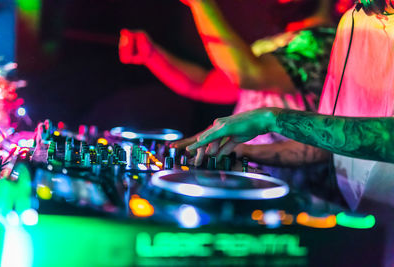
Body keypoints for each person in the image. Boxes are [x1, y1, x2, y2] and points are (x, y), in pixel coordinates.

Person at [187, 1, 394, 209]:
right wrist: (241, 150)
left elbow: (388, 138)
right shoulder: (352, 22)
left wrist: (270, 119)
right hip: (362, 214)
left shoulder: (323, 38)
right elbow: (323, 146)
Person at [119, 0, 341, 148]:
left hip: (293, 191)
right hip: (253, 175)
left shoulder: (327, 42)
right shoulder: (274, 45)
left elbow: (248, 74)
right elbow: (205, 85)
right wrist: (152, 56)